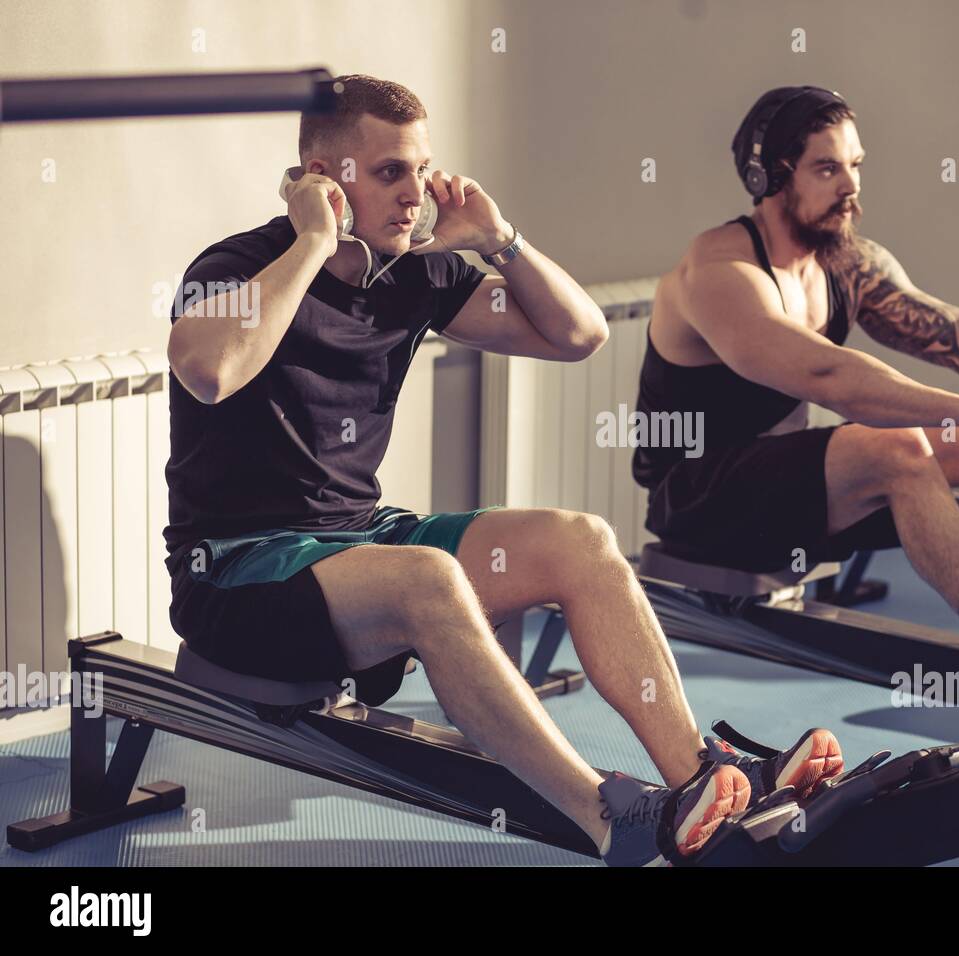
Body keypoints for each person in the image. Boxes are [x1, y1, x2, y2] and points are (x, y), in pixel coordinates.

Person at [162, 75, 842, 866]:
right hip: (237, 574)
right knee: (426, 577)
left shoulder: (415, 272)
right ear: (324, 178)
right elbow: (209, 371)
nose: (416, 193)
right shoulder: (239, 264)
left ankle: (700, 777)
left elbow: (579, 333)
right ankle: (606, 818)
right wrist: (312, 242)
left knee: (580, 540)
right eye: (390, 173)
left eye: (422, 168)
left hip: (355, 543)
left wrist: (499, 238)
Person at [631, 86, 959, 721]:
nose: (850, 186)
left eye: (855, 165)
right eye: (827, 169)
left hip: (793, 490)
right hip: (698, 497)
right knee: (899, 445)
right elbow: (826, 373)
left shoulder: (846, 264)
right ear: (770, 177)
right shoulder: (719, 272)